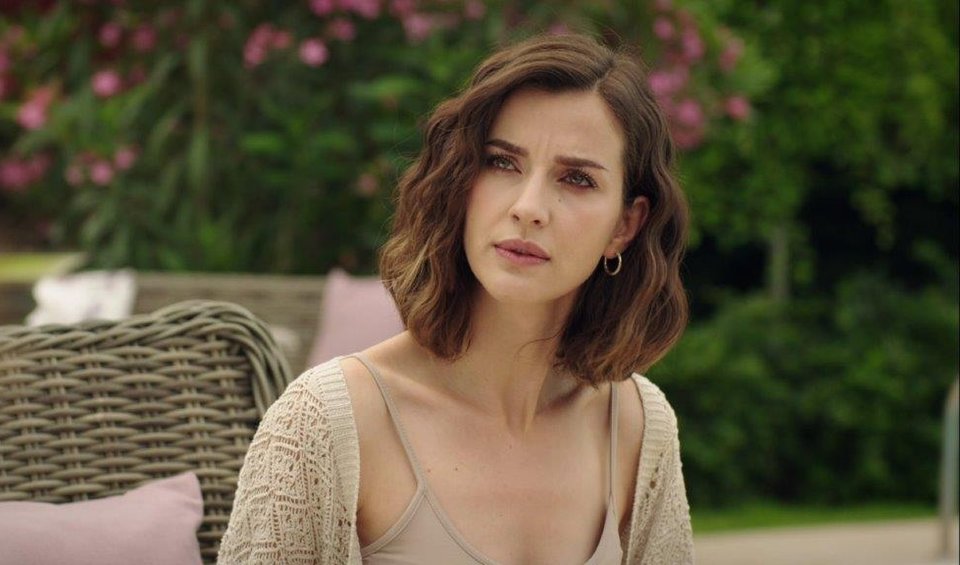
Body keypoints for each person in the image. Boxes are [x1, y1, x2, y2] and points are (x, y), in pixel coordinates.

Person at [218, 33, 693, 564]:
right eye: (502, 163)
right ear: (461, 179)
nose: (529, 207)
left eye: (577, 179)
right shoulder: (329, 424)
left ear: (625, 226)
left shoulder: (637, 427)